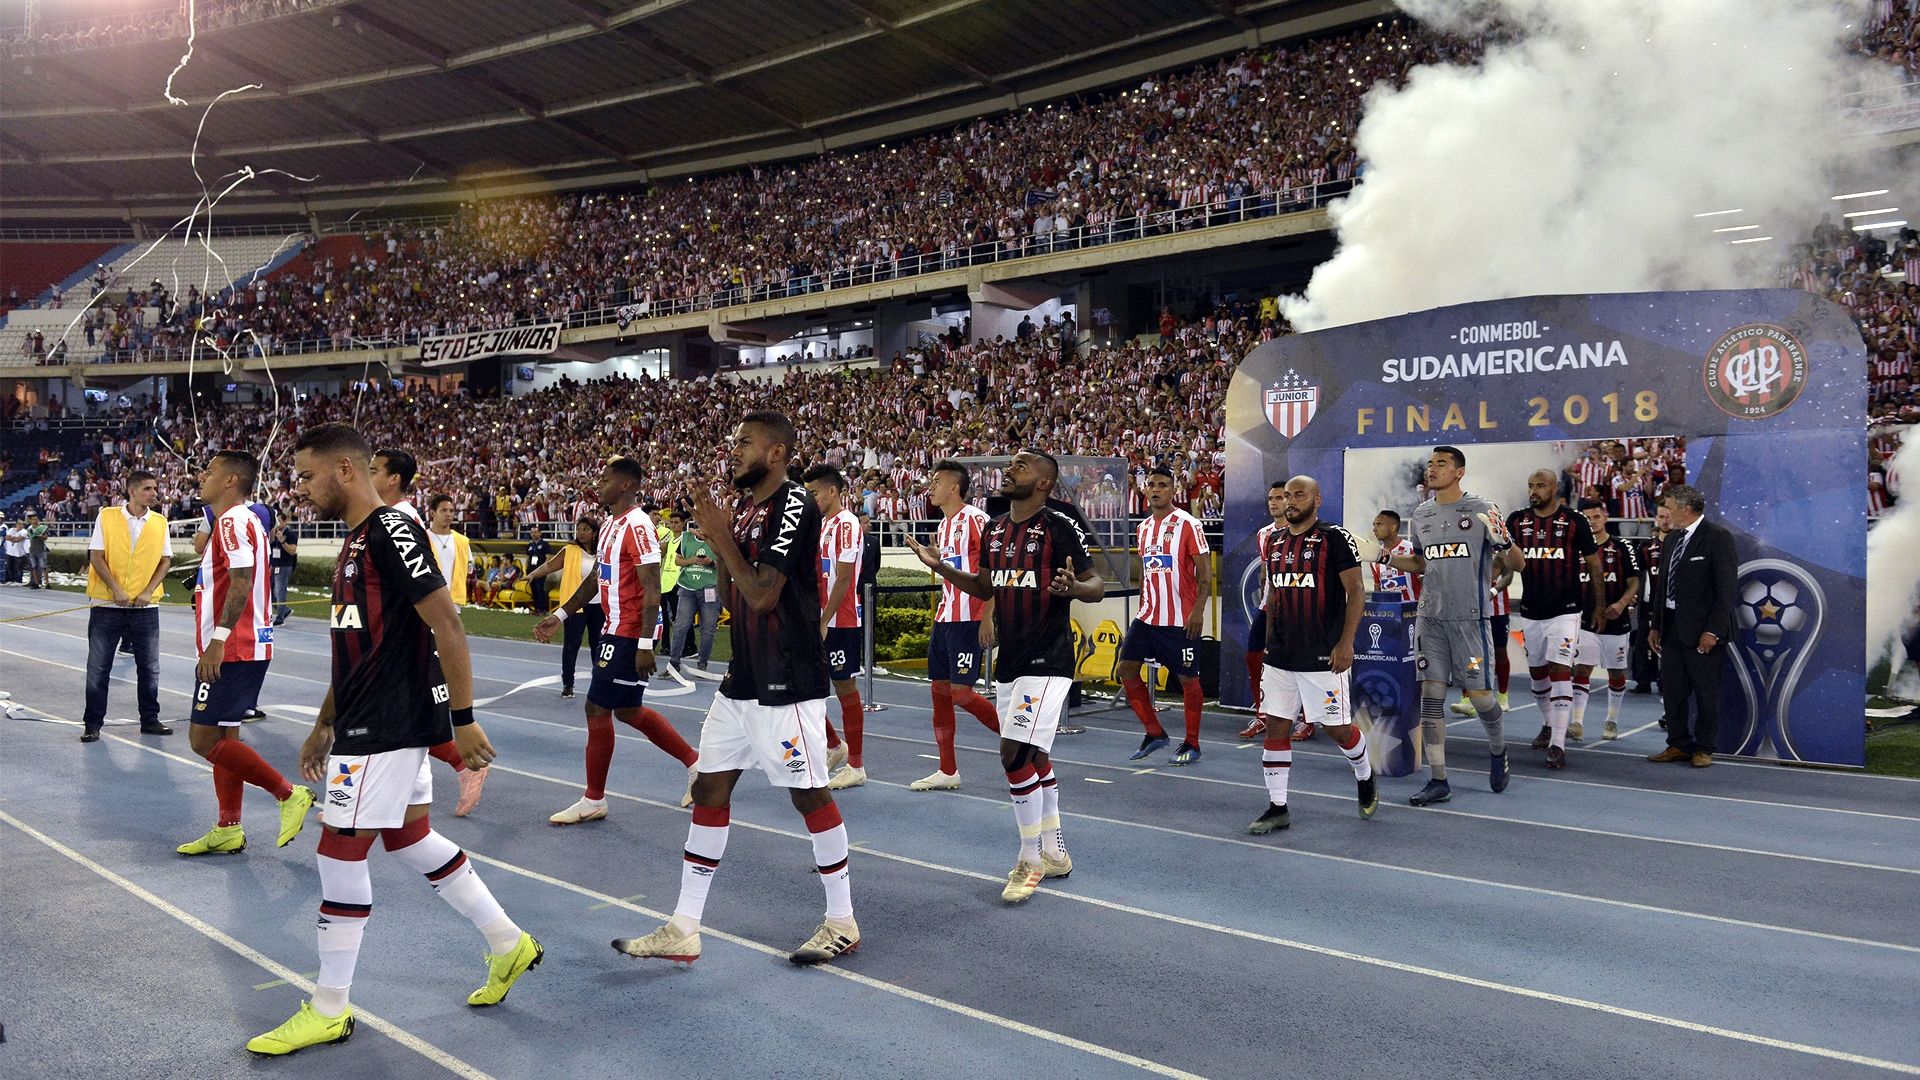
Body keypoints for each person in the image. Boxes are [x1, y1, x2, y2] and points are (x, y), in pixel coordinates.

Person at [248, 422, 538, 1056]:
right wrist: (324, 721)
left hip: (385, 725)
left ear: (344, 471)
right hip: (365, 719)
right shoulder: (356, 542)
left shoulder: (391, 531)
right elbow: (353, 643)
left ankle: (329, 1007)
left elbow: (449, 625)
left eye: (305, 476)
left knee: (337, 853)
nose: (299, 489)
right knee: (409, 836)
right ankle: (508, 943)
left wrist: (463, 719)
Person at [613, 411, 859, 966]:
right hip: (742, 677)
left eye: (745, 442)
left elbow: (766, 595)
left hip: (786, 677)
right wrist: (716, 537)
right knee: (708, 788)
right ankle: (684, 926)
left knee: (809, 793)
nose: (734, 449)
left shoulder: (793, 504)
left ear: (776, 453)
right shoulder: (746, 510)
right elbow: (733, 599)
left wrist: (723, 537)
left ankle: (842, 920)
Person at [906, 449, 1103, 903]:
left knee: (1012, 755)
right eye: (1010, 464)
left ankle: (1029, 860)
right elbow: (985, 586)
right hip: (1011, 662)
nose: (1008, 471)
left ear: (1043, 484)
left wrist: (1072, 587)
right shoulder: (994, 530)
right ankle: (1054, 853)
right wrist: (942, 567)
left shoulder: (1058, 526)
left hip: (1048, 661)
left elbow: (1096, 585)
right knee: (1032, 758)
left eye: (1021, 466)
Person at [535, 457, 699, 825]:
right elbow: (596, 580)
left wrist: (644, 644)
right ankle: (695, 763)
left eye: (606, 477)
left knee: (597, 707)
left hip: (629, 632)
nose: (600, 482)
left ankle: (594, 799)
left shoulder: (639, 526)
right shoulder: (610, 523)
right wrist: (561, 615)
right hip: (615, 628)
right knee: (627, 710)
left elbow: (652, 588)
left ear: (625, 485)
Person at [177, 450, 315, 857]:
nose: (202, 475)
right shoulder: (243, 519)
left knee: (202, 740)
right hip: (244, 644)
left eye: (211, 470)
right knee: (226, 733)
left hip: (233, 648)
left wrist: (217, 640)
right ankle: (228, 827)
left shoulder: (234, 520)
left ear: (231, 480)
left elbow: (241, 581)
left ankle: (288, 793)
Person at [1376, 446, 1522, 805]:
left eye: (1441, 463)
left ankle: (1498, 749)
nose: (1433, 468)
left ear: (1459, 472)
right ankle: (1438, 779)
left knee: (1481, 697)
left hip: (1470, 620)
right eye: (1430, 464)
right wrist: (1386, 557)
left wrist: (1504, 537)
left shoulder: (1482, 509)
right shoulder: (1421, 514)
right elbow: (1421, 564)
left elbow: (1517, 563)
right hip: (1431, 620)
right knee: (1431, 696)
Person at [1248, 476, 1377, 833]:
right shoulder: (1273, 542)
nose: (1290, 501)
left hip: (1323, 655)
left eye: (1298, 494)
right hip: (1281, 655)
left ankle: (1364, 773)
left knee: (1337, 729)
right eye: (1286, 496)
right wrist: (1270, 640)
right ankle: (1278, 807)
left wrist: (1346, 642)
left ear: (1317, 499)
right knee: (1276, 724)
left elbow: (1356, 591)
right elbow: (1273, 594)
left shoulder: (1334, 538)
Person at [374, 449, 487, 814]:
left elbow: (421, 585)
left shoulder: (399, 521)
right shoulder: (389, 519)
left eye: (373, 470)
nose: (364, 476)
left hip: (414, 631)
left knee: (397, 717)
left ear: (394, 479)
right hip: (405, 631)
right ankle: (370, 799)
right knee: (391, 717)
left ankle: (368, 802)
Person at [912, 458, 1001, 791]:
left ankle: (1021, 742)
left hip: (969, 617)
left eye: (936, 481)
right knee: (938, 691)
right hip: (945, 617)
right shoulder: (943, 526)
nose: (930, 487)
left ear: (954, 487)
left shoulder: (977, 520)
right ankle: (947, 769)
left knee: (962, 693)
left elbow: (992, 569)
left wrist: (987, 615)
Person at [1508, 469, 1604, 768]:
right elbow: (1506, 558)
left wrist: (1598, 606)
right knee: (1537, 673)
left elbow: (1594, 564)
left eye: (1540, 485)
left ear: (1554, 488)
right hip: (1531, 610)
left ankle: (1558, 743)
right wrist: (1498, 578)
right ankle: (1549, 723)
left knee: (1560, 668)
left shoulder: (1575, 521)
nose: (1533, 490)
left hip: (1566, 609)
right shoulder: (1517, 521)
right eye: (1530, 485)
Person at [1119, 465, 1213, 765]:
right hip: (1147, 617)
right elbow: (1149, 573)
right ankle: (1155, 733)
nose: (1156, 489)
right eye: (1152, 485)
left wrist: (1198, 611)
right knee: (1126, 669)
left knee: (1187, 678)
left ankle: (1193, 743)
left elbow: (1205, 575)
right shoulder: (1143, 528)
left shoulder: (1188, 524)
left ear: (1173, 490)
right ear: (1145, 490)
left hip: (1179, 620)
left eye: (1162, 484)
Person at [1647, 485, 1738, 769]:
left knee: (1705, 692)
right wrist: (1655, 625)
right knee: (1673, 691)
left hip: (1703, 632)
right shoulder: (1672, 539)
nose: (1666, 513)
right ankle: (1678, 743)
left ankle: (1704, 748)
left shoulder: (1718, 537)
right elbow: (1662, 587)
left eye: (1670, 507)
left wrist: (1713, 631)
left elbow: (1726, 591)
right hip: (1672, 628)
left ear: (1686, 508)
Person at [81, 469, 174, 742]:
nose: (154, 493)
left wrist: (148, 591)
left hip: (145, 609)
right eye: (148, 489)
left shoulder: (160, 522)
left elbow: (165, 560)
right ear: (132, 491)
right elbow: (96, 556)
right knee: (99, 667)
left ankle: (150, 720)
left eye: (155, 489)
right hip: (106, 606)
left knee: (149, 668)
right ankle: (92, 723)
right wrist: (116, 590)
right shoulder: (107, 516)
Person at [802, 464, 867, 788]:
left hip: (840, 620)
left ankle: (855, 764)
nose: (810, 498)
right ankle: (833, 744)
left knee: (844, 687)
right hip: (819, 618)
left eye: (814, 492)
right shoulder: (821, 523)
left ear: (832, 491)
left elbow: (843, 577)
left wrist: (825, 620)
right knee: (804, 684)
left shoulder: (846, 523)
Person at [1575, 500, 1642, 740]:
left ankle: (1611, 721)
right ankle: (1576, 722)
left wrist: (1622, 603)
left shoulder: (1622, 546)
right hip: (1584, 619)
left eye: (1596, 517)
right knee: (1583, 668)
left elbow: (1635, 581)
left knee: (1616, 672)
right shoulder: (1575, 548)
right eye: (1587, 518)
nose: (1592, 522)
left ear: (1605, 517)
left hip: (1616, 619)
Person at [526, 517, 602, 697]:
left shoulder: (603, 552)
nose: (581, 533)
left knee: (597, 645)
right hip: (575, 605)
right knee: (571, 644)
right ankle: (568, 683)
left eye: (585, 529)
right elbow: (550, 565)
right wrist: (533, 575)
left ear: (595, 533)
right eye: (579, 529)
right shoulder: (569, 550)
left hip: (599, 605)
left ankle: (600, 682)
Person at [1238, 484, 1290, 741]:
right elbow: (1264, 570)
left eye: (1279, 498)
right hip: (1268, 605)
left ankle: (1304, 719)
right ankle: (1262, 715)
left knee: (1296, 662)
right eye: (1270, 498)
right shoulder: (1264, 534)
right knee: (1254, 656)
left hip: (1297, 607)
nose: (1274, 503)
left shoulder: (1302, 531)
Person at [668, 515, 720, 673]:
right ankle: (674, 663)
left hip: (710, 587)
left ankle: (702, 664)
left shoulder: (718, 540)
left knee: (708, 629)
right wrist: (692, 560)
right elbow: (677, 561)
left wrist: (710, 562)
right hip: (687, 587)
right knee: (681, 626)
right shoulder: (686, 537)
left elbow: (725, 565)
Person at [425, 495, 474, 604]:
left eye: (451, 511)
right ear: (432, 513)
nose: (448, 514)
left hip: (453, 601)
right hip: (427, 600)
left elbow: (468, 569)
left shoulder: (462, 541)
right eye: (443, 510)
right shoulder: (422, 538)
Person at [370, 447, 422, 524]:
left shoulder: (402, 520)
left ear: (394, 479)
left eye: (373, 472)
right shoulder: (387, 515)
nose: (366, 476)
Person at [269, 504, 297, 625]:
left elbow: (292, 551)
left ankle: (280, 617)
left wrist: (283, 541)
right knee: (269, 591)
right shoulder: (273, 533)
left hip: (284, 565)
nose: (277, 523)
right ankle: (284, 610)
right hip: (273, 565)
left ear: (285, 521)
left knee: (280, 591)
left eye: (279, 521)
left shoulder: (290, 534)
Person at [524, 524, 553, 613]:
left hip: (541, 571)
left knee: (540, 589)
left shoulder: (545, 544)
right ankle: (536, 608)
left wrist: (544, 569)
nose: (533, 534)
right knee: (534, 589)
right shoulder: (530, 545)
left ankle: (543, 609)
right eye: (532, 532)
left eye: (535, 532)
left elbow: (548, 557)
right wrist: (526, 570)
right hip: (531, 571)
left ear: (540, 533)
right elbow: (528, 558)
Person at [24, 511, 49, 589]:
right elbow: (30, 537)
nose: (34, 521)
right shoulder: (29, 528)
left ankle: (47, 583)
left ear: (38, 520)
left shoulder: (42, 527)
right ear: (31, 521)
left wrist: (39, 535)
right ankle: (36, 583)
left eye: (35, 519)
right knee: (34, 567)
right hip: (32, 550)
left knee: (43, 567)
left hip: (41, 549)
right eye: (33, 520)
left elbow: (45, 538)